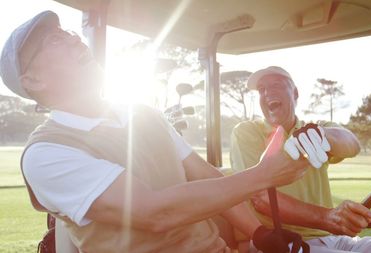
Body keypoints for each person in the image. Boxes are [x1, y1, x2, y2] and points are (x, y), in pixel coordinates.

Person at [0, 11, 313, 252]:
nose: (73, 39)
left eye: (67, 32)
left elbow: (206, 177)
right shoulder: (45, 154)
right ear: (33, 82)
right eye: (54, 40)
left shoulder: (144, 114)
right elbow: (154, 212)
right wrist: (265, 174)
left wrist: (260, 233)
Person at [230, 66, 371, 253]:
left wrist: (324, 136)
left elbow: (351, 143)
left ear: (295, 93)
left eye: (276, 85)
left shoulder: (315, 126)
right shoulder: (248, 132)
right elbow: (260, 198)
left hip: (332, 238)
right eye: (262, 89)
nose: (267, 93)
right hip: (281, 243)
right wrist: (327, 218)